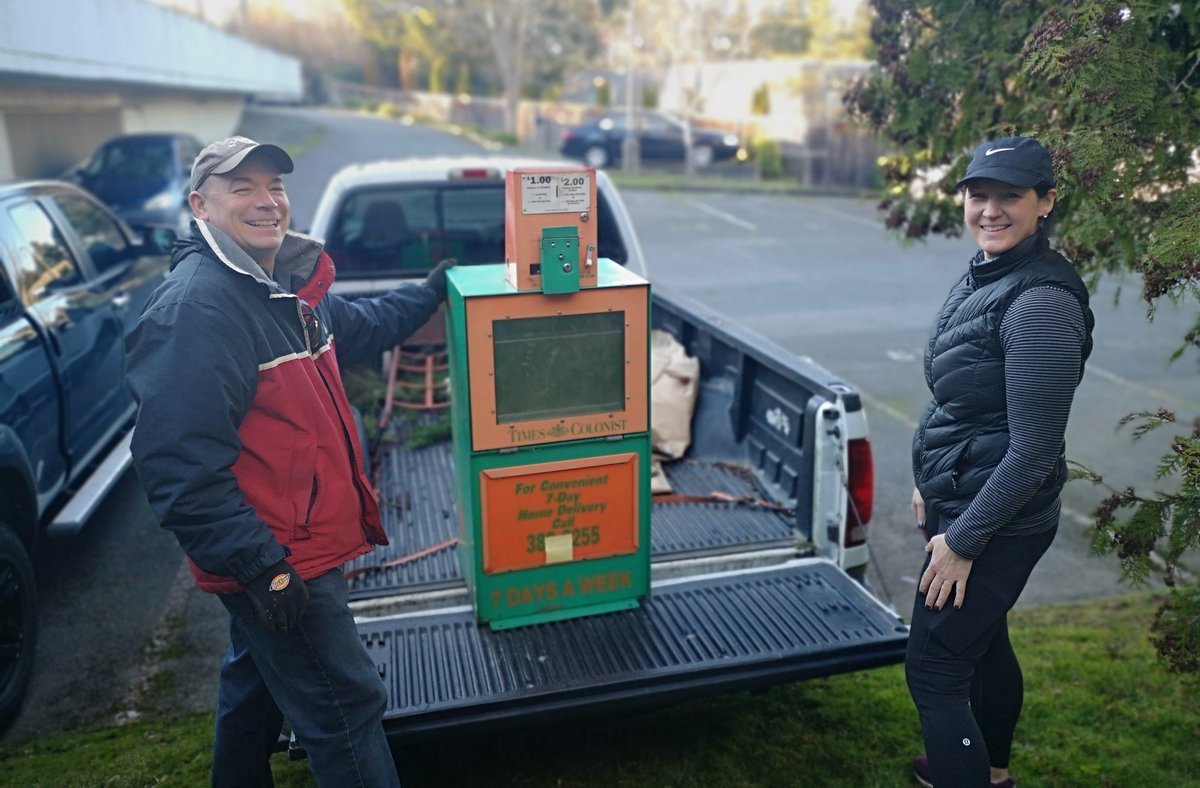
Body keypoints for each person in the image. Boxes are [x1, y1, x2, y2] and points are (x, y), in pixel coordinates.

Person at [126, 136, 452, 787]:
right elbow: (178, 468)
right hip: (280, 555)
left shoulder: (284, 290)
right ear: (200, 205)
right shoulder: (197, 310)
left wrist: (428, 292)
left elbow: (364, 324)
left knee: (255, 684)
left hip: (288, 547)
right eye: (242, 187)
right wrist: (263, 569)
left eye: (274, 186)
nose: (266, 200)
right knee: (346, 709)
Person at [906, 136, 1095, 788]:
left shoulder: (1040, 302)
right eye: (978, 194)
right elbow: (961, 394)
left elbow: (1035, 449)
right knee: (982, 642)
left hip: (995, 517)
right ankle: (990, 771)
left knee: (935, 669)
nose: (989, 210)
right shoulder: (990, 270)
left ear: (1045, 202)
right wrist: (928, 479)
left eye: (1009, 196)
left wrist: (963, 541)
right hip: (965, 491)